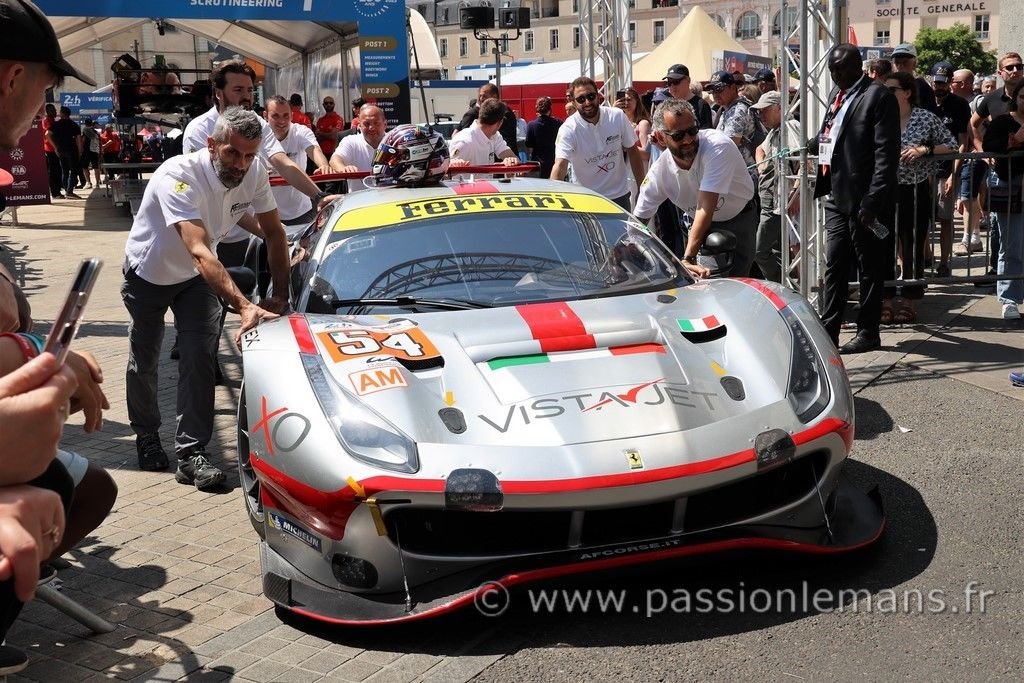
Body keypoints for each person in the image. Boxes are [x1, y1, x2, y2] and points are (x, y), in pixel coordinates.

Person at [122, 107, 293, 489]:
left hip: (196, 278)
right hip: (150, 274)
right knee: (145, 359)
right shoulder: (178, 175)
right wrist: (246, 305)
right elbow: (199, 251)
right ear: (211, 144)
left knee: (200, 357)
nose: (241, 164)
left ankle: (191, 454)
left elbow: (274, 233)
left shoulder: (255, 173)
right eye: (233, 153)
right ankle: (147, 434)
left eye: (250, 155)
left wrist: (279, 294)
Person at [809, 43, 900, 354]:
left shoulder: (878, 96)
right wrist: (810, 145)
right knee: (834, 264)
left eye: (842, 68)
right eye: (832, 69)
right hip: (836, 194)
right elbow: (830, 134)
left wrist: (873, 201)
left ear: (857, 65)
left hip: (864, 200)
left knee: (868, 268)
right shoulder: (838, 96)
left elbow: (886, 154)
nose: (836, 74)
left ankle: (868, 330)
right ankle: (829, 330)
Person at [633, 98, 756, 279]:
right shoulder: (659, 171)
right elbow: (639, 219)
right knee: (701, 282)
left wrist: (688, 258)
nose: (688, 139)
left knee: (736, 284)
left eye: (692, 131)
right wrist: (624, 248)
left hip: (737, 219)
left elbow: (706, 206)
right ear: (660, 137)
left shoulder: (717, 146)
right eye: (678, 136)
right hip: (695, 223)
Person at [881, 71, 955, 325]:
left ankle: (910, 301)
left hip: (915, 189)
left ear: (907, 92)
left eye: (892, 90)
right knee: (884, 244)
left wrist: (925, 150)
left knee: (911, 244)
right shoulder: (879, 117)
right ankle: (886, 300)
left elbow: (952, 144)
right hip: (884, 189)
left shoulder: (925, 118)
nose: (887, 94)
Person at [550, 76, 647, 212]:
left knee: (623, 234)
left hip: (619, 197)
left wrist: (642, 189)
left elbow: (633, 151)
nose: (588, 102)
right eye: (581, 99)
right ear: (572, 102)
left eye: (591, 96)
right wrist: (552, 201)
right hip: (585, 199)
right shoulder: (568, 129)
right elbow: (560, 165)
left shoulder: (617, 116)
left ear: (598, 95)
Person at [981, 79, 1024, 320]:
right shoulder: (1003, 122)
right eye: (1023, 97)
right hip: (1009, 186)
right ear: (1016, 98)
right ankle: (1009, 299)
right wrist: (1013, 141)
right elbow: (990, 146)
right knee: (1010, 245)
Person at [751, 91, 802, 282]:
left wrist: (795, 192)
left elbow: (803, 162)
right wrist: (761, 164)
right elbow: (759, 149)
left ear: (779, 108)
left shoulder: (790, 127)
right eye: (759, 112)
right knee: (778, 249)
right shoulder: (774, 131)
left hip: (783, 200)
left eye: (764, 110)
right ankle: (784, 285)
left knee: (760, 250)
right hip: (773, 200)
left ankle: (779, 284)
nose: (761, 115)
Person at [263, 95, 331, 234]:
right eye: (275, 116)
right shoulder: (258, 135)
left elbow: (314, 149)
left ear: (292, 115)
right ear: (265, 115)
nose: (281, 121)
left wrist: (323, 165)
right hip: (266, 212)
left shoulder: (300, 131)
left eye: (286, 115)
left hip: (301, 210)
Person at [930, 61, 972, 277]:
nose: (940, 86)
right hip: (924, 170)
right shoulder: (925, 102)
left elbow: (963, 141)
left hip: (947, 169)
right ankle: (926, 259)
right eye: (937, 81)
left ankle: (944, 262)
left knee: (946, 219)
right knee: (923, 221)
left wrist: (953, 175)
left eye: (944, 82)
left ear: (950, 83)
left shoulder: (960, 105)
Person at [706, 70, 762, 186]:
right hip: (736, 174)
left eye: (719, 89)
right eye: (713, 90)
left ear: (732, 87)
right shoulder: (728, 109)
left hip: (743, 176)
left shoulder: (738, 110)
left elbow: (728, 145)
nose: (716, 94)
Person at [330, 103, 388, 193]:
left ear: (385, 124)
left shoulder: (395, 142)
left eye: (376, 123)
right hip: (359, 204)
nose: (371, 127)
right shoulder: (350, 141)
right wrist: (343, 169)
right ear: (360, 126)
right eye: (366, 124)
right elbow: (335, 160)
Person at [449, 97, 520, 169]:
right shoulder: (464, 141)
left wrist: (511, 161)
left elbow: (512, 157)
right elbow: (445, 173)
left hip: (487, 180)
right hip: (465, 181)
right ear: (500, 123)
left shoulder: (495, 136)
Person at [457, 82, 519, 156]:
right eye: (480, 96)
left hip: (501, 160)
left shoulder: (505, 113)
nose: (481, 99)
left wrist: (508, 158)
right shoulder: (471, 115)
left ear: (494, 97)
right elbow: (460, 133)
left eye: (484, 96)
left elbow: (506, 140)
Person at [890, 43, 938, 113]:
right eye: (897, 62)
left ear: (915, 63)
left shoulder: (922, 87)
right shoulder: (889, 86)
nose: (900, 66)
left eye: (905, 62)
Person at [662, 63, 713, 129]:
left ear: (688, 80)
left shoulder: (701, 105)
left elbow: (706, 134)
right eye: (669, 82)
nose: (672, 86)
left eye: (676, 81)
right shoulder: (668, 105)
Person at [48, 106, 83, 199]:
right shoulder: (74, 125)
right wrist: (80, 152)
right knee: (73, 170)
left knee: (64, 171)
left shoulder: (56, 124)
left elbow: (47, 134)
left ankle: (67, 190)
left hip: (60, 150)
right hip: (72, 150)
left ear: (62, 113)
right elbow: (79, 139)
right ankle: (69, 191)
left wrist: (55, 147)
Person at [525, 96, 561, 179]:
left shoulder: (531, 125)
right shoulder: (558, 123)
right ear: (550, 108)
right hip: (555, 161)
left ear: (537, 108)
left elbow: (529, 145)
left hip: (538, 163)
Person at [40, 103, 62, 199]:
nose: (55, 112)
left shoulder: (53, 121)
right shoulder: (46, 121)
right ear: (48, 111)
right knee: (53, 171)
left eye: (55, 110)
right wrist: (55, 147)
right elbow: (47, 135)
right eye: (53, 110)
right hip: (50, 150)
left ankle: (58, 190)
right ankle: (55, 193)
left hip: (55, 149)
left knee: (57, 170)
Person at [80, 119, 102, 190]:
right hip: (95, 151)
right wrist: (100, 151)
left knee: (85, 167)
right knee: (96, 167)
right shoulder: (96, 132)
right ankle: (97, 184)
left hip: (86, 151)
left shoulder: (85, 130)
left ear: (85, 124)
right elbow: (100, 142)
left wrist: (80, 150)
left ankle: (88, 182)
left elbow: (83, 140)